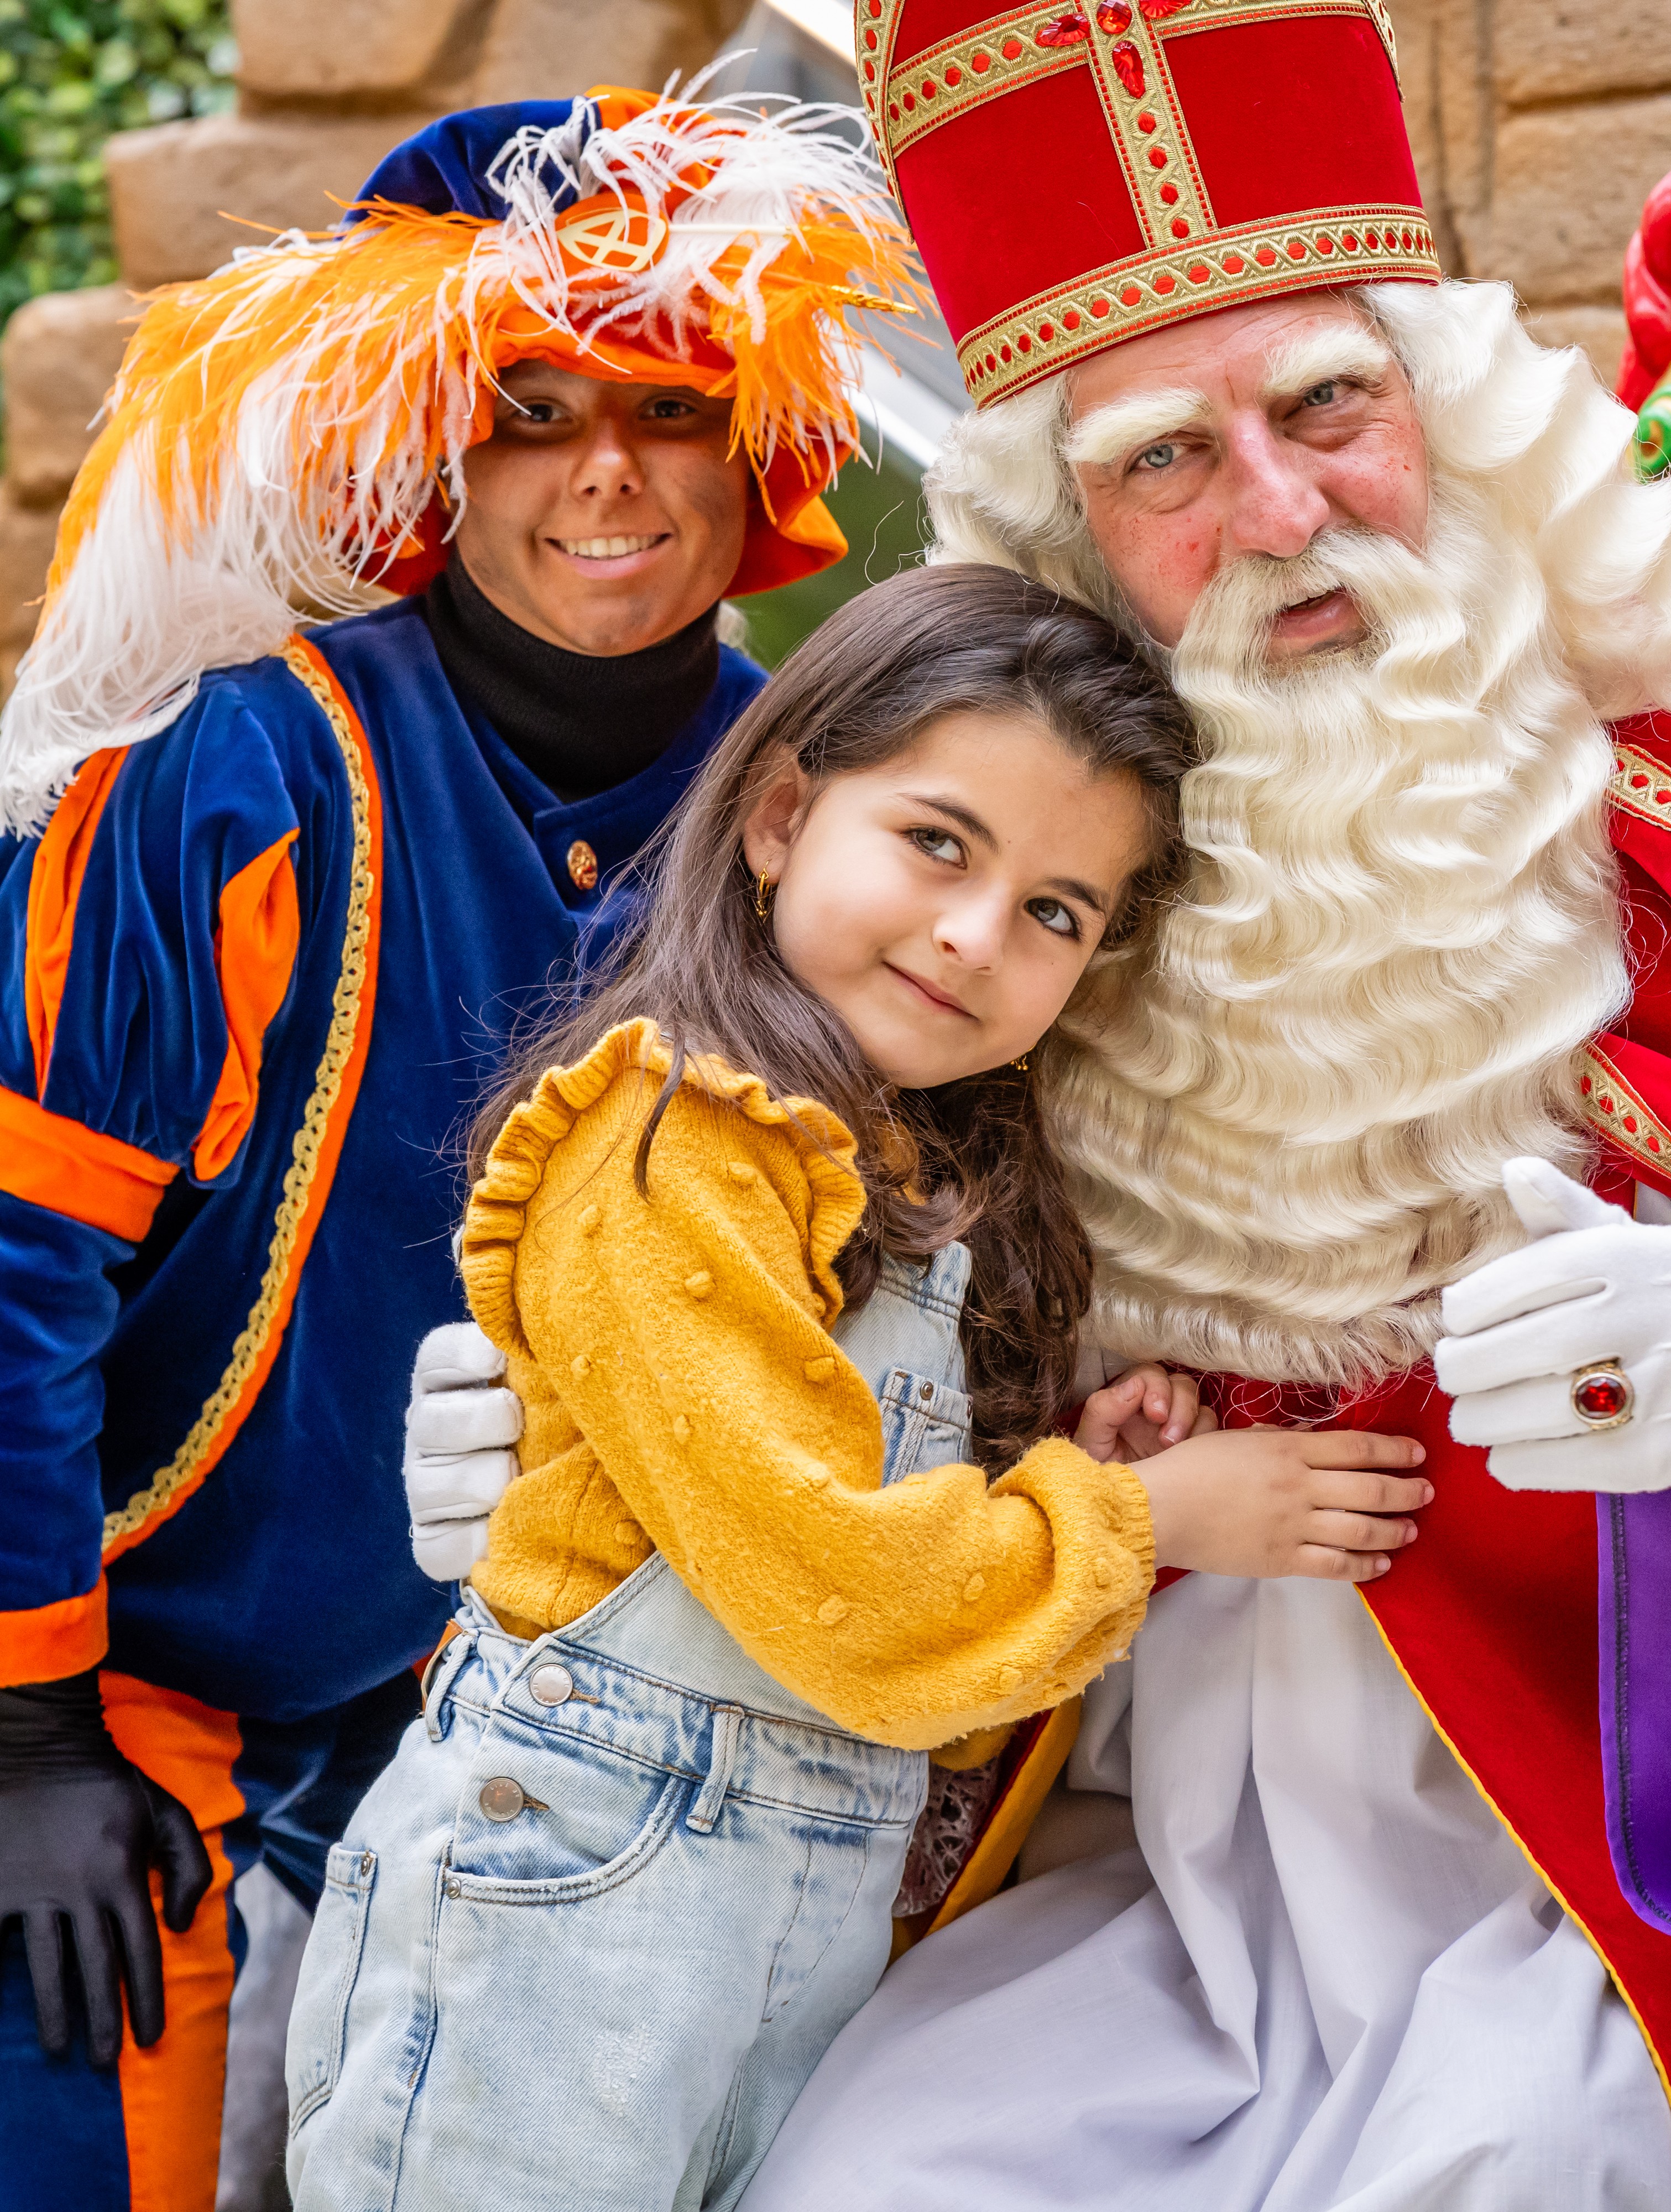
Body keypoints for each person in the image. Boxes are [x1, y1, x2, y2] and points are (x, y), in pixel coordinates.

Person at [720, 4, 1671, 2206]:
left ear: (1446, 419)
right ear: (1060, 544)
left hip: (1621, 1882)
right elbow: (848, 1399)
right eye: (1161, 462)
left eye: (1323, 407)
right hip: (1172, 1875)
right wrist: (617, 1444)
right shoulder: (1011, 947)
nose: (1275, 517)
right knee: (856, 2178)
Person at [0, 84, 918, 2212]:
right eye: (527, 406)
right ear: (439, 447)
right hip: (126, 1646)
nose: (606, 471)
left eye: (671, 405)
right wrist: (30, 1728)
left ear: (758, 445)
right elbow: (20, 1262)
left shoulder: (798, 794)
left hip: (524, 1681)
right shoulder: (235, 767)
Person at [287, 563, 1435, 2212]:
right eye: (937, 842)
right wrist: (1138, 1520)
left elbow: (922, 1674)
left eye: (1056, 911)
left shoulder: (897, 1194)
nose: (976, 935)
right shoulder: (671, 1146)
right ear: (777, 819)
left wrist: (1046, 1466)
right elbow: (845, 1602)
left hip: (761, 1930)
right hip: (555, 1916)